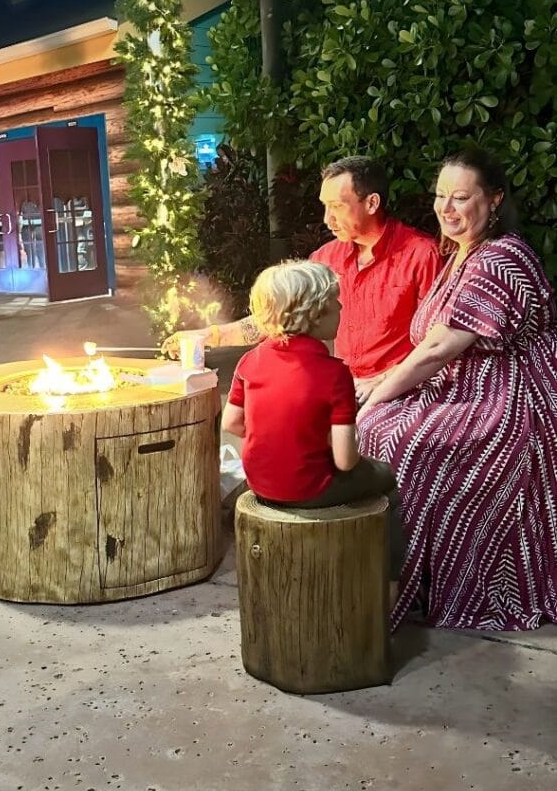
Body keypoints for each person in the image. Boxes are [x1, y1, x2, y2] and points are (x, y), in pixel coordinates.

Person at [357, 149, 557, 631]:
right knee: (376, 427)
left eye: (461, 197)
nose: (446, 208)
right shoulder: (460, 254)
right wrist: (380, 381)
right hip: (459, 391)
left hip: (510, 404)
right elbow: (428, 342)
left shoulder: (502, 258)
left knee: (401, 438)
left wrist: (377, 396)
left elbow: (442, 347)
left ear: (494, 200)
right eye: (440, 196)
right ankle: (401, 575)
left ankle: (429, 581)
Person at [164, 157, 441, 400]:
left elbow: (437, 344)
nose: (327, 218)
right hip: (343, 387)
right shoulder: (326, 258)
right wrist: (208, 335)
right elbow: (277, 317)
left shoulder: (421, 254)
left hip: (403, 389)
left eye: (337, 206)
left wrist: (384, 380)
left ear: (372, 202)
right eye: (324, 206)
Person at [222, 261, 404, 605]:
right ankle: (393, 583)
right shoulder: (334, 373)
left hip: (259, 480)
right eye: (334, 301)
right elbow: (345, 461)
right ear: (314, 314)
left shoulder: (252, 360)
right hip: (309, 487)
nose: (341, 307)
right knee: (386, 479)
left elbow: (231, 424)